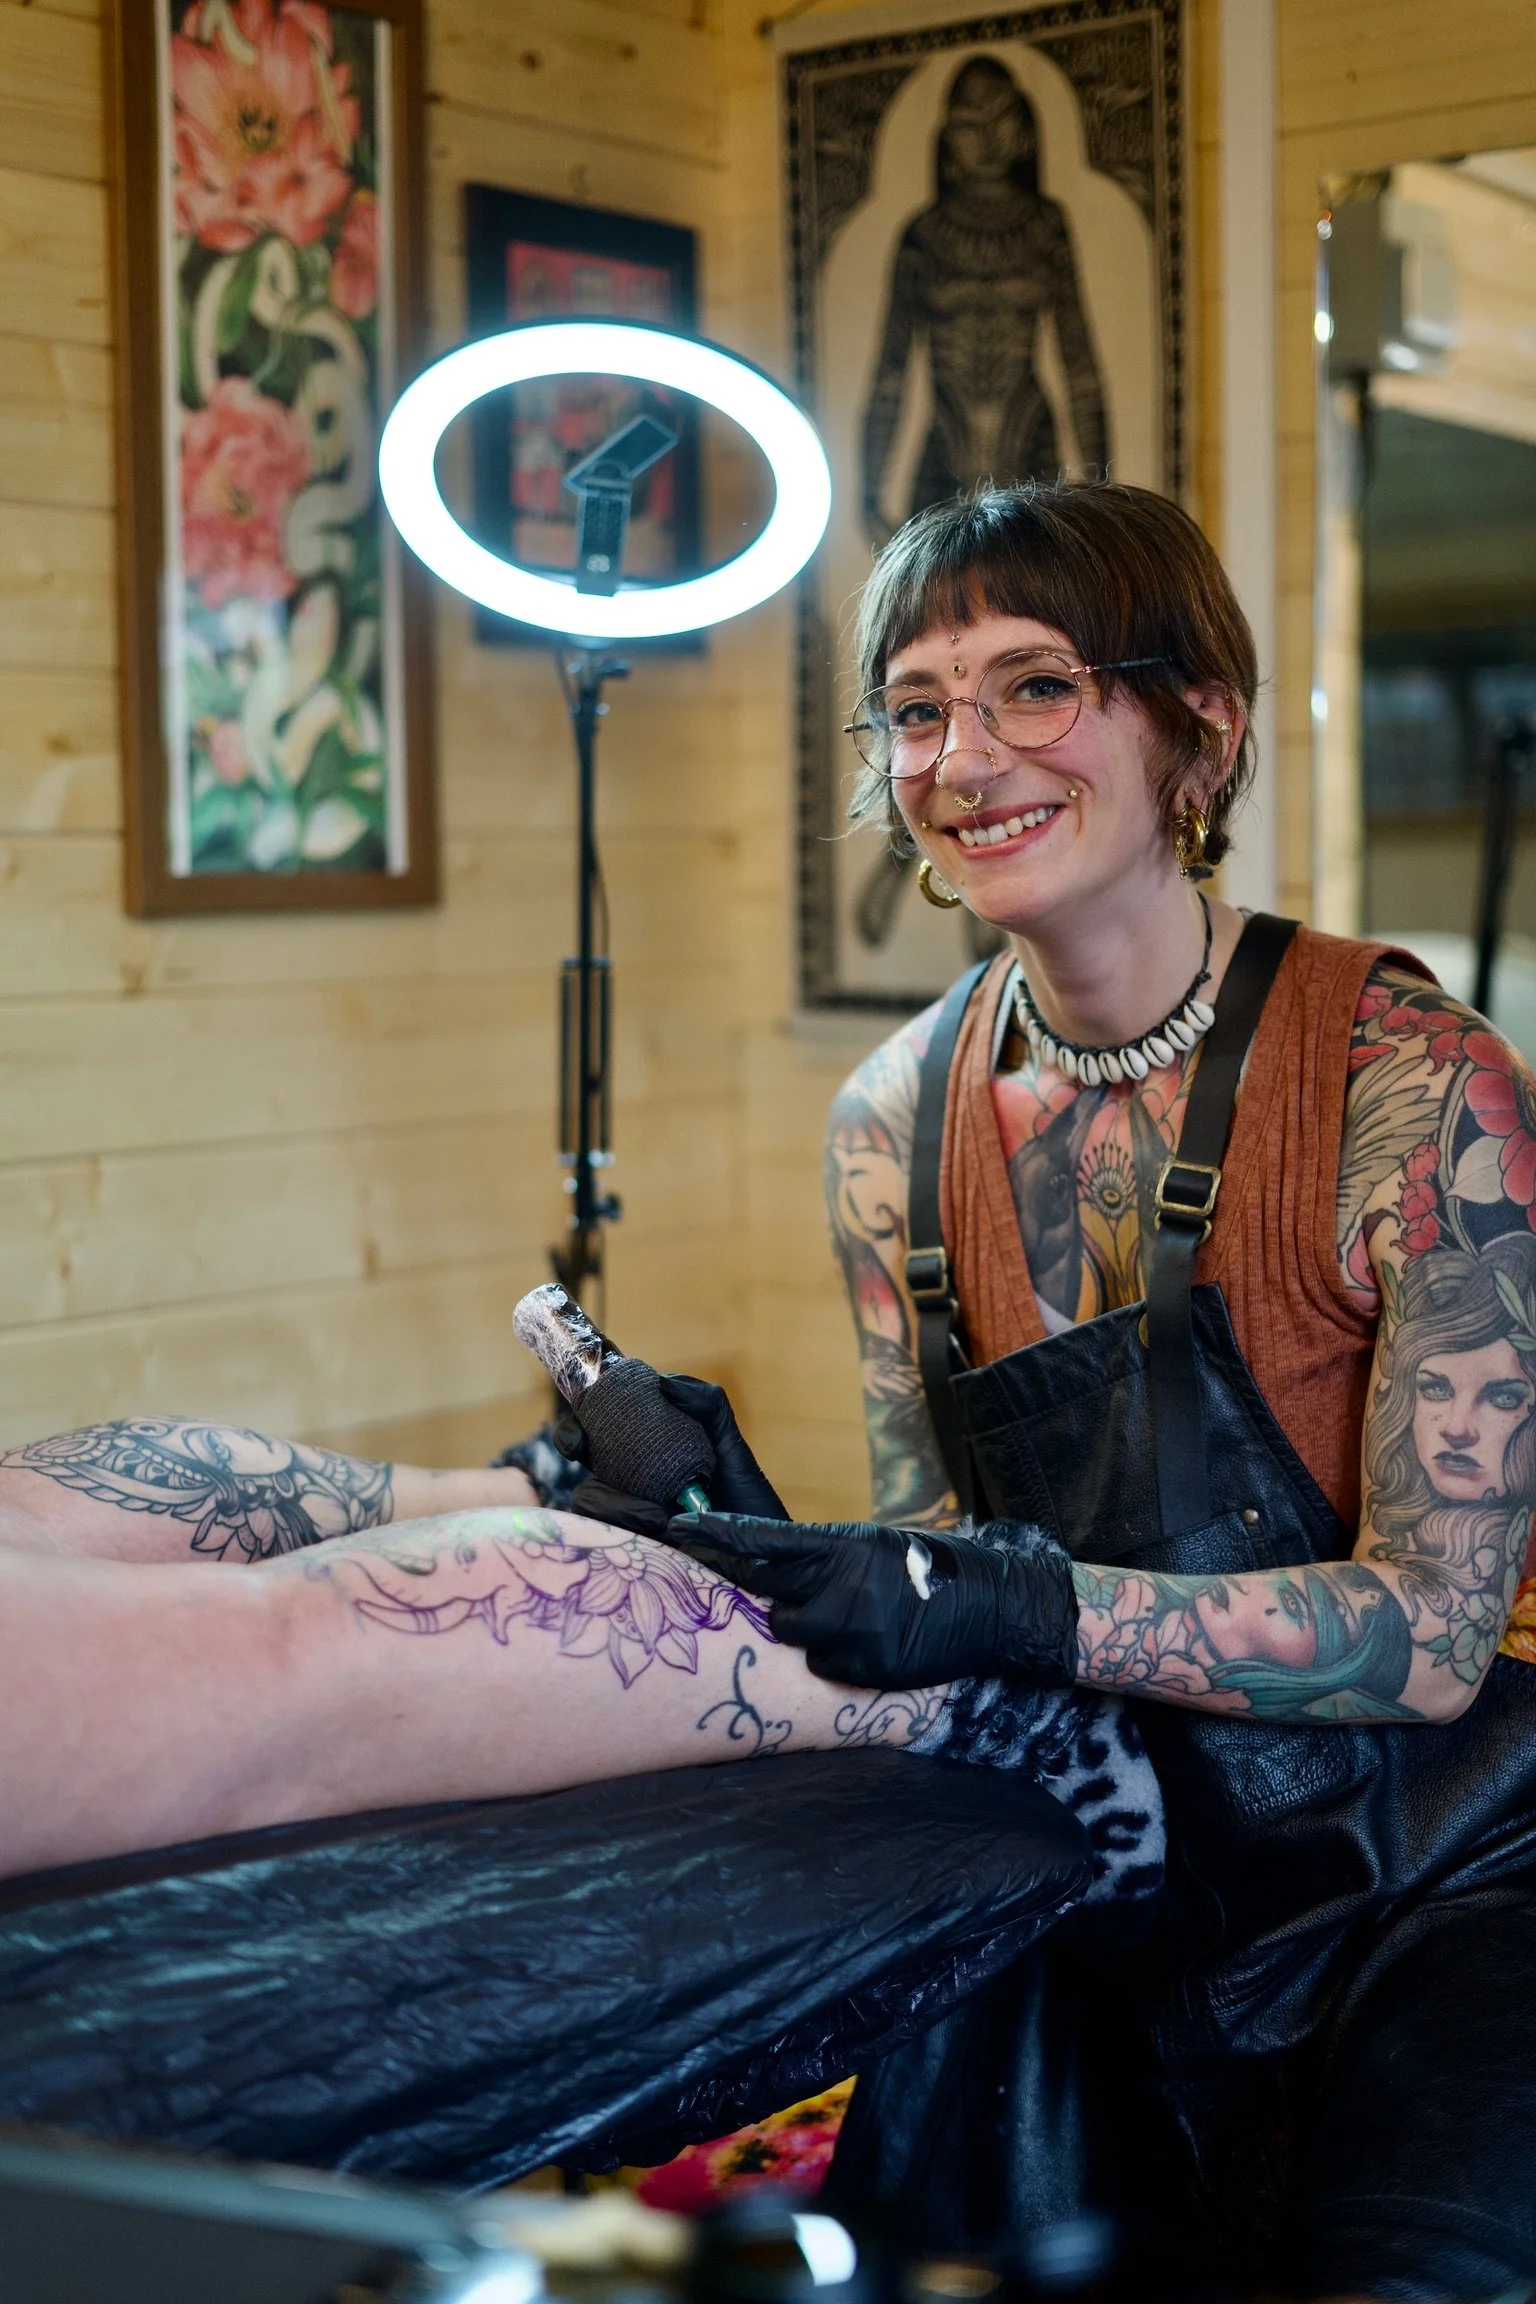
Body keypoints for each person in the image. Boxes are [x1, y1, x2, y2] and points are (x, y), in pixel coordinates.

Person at [620, 481, 1536, 2297]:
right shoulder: (892, 1124)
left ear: (1199, 729)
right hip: (1103, 1865)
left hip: (1449, 1886)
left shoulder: (1417, 1085)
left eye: (1036, 685)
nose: (966, 755)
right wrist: (743, 1539)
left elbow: (1432, 1637)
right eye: (917, 707)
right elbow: (944, 1574)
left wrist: (1009, 1601)